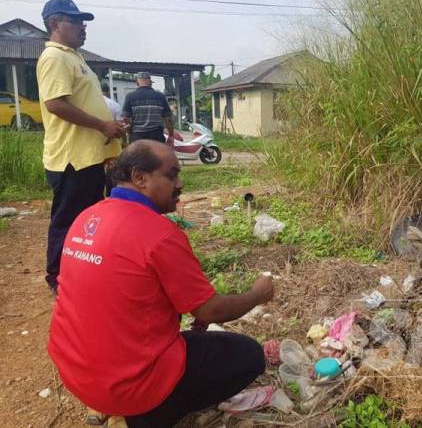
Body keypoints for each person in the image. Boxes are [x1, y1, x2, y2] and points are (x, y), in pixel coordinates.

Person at [48, 140, 274, 427]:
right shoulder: (159, 234)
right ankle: (149, 413)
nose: (179, 184)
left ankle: (108, 405)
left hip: (75, 373)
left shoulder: (86, 217)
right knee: (248, 356)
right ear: (139, 178)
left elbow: (120, 290)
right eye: (171, 175)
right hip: (129, 387)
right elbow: (211, 312)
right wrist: (257, 294)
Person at [37, 0, 127, 296]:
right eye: (74, 21)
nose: (82, 27)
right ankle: (57, 278)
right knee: (67, 220)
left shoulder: (74, 56)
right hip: (71, 158)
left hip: (88, 155)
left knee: (87, 219)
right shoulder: (55, 58)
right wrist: (103, 125)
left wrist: (110, 129)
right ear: (54, 24)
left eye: (82, 21)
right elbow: (55, 104)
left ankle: (81, 272)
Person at [122, 72, 174, 144]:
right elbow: (168, 118)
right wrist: (171, 135)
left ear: (137, 82)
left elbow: (126, 119)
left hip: (137, 137)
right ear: (150, 82)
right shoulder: (161, 96)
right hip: (156, 136)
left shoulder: (130, 96)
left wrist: (129, 133)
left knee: (139, 155)